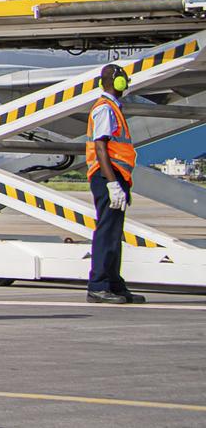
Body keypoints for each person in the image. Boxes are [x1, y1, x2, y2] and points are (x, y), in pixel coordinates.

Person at [86, 63, 145, 304]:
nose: (127, 84)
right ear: (117, 82)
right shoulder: (105, 109)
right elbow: (101, 147)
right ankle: (98, 285)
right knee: (106, 231)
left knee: (113, 232)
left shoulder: (112, 108)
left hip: (115, 176)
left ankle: (113, 283)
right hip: (106, 176)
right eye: (124, 80)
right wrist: (112, 183)